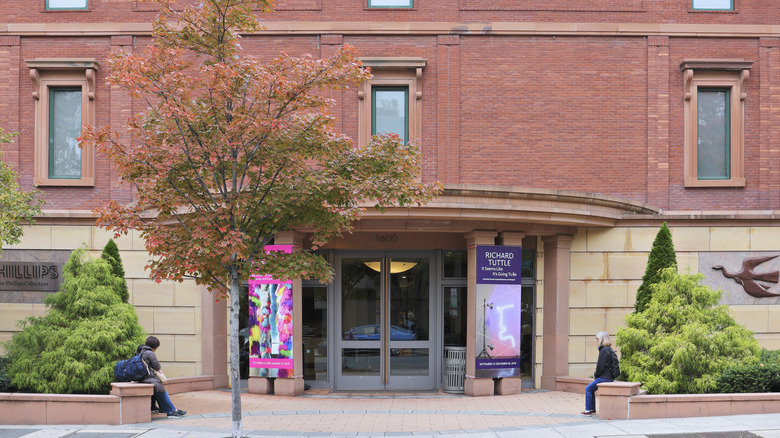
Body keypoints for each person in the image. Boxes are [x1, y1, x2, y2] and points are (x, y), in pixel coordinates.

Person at [138, 336, 187, 418]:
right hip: (148, 378)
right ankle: (171, 411)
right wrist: (159, 370)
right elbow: (157, 366)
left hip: (142, 378)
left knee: (157, 389)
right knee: (161, 390)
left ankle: (161, 408)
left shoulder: (141, 351)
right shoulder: (150, 353)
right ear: (155, 346)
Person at [582, 331, 615, 416]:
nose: (595, 340)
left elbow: (600, 366)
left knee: (588, 389)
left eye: (597, 339)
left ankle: (588, 409)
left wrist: (595, 375)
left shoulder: (603, 350)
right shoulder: (609, 349)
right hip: (609, 376)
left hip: (605, 377)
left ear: (601, 339)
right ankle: (591, 408)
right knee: (591, 389)